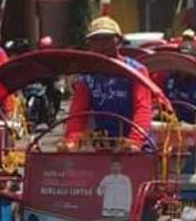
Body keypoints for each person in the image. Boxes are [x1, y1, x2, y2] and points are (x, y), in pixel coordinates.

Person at [64, 17, 153, 150]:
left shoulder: (136, 70)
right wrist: (71, 141)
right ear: (90, 44)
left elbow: (143, 109)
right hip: (103, 144)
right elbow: (78, 114)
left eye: (107, 39)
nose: (101, 44)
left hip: (137, 144)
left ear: (119, 42)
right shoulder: (87, 77)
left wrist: (135, 141)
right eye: (96, 40)